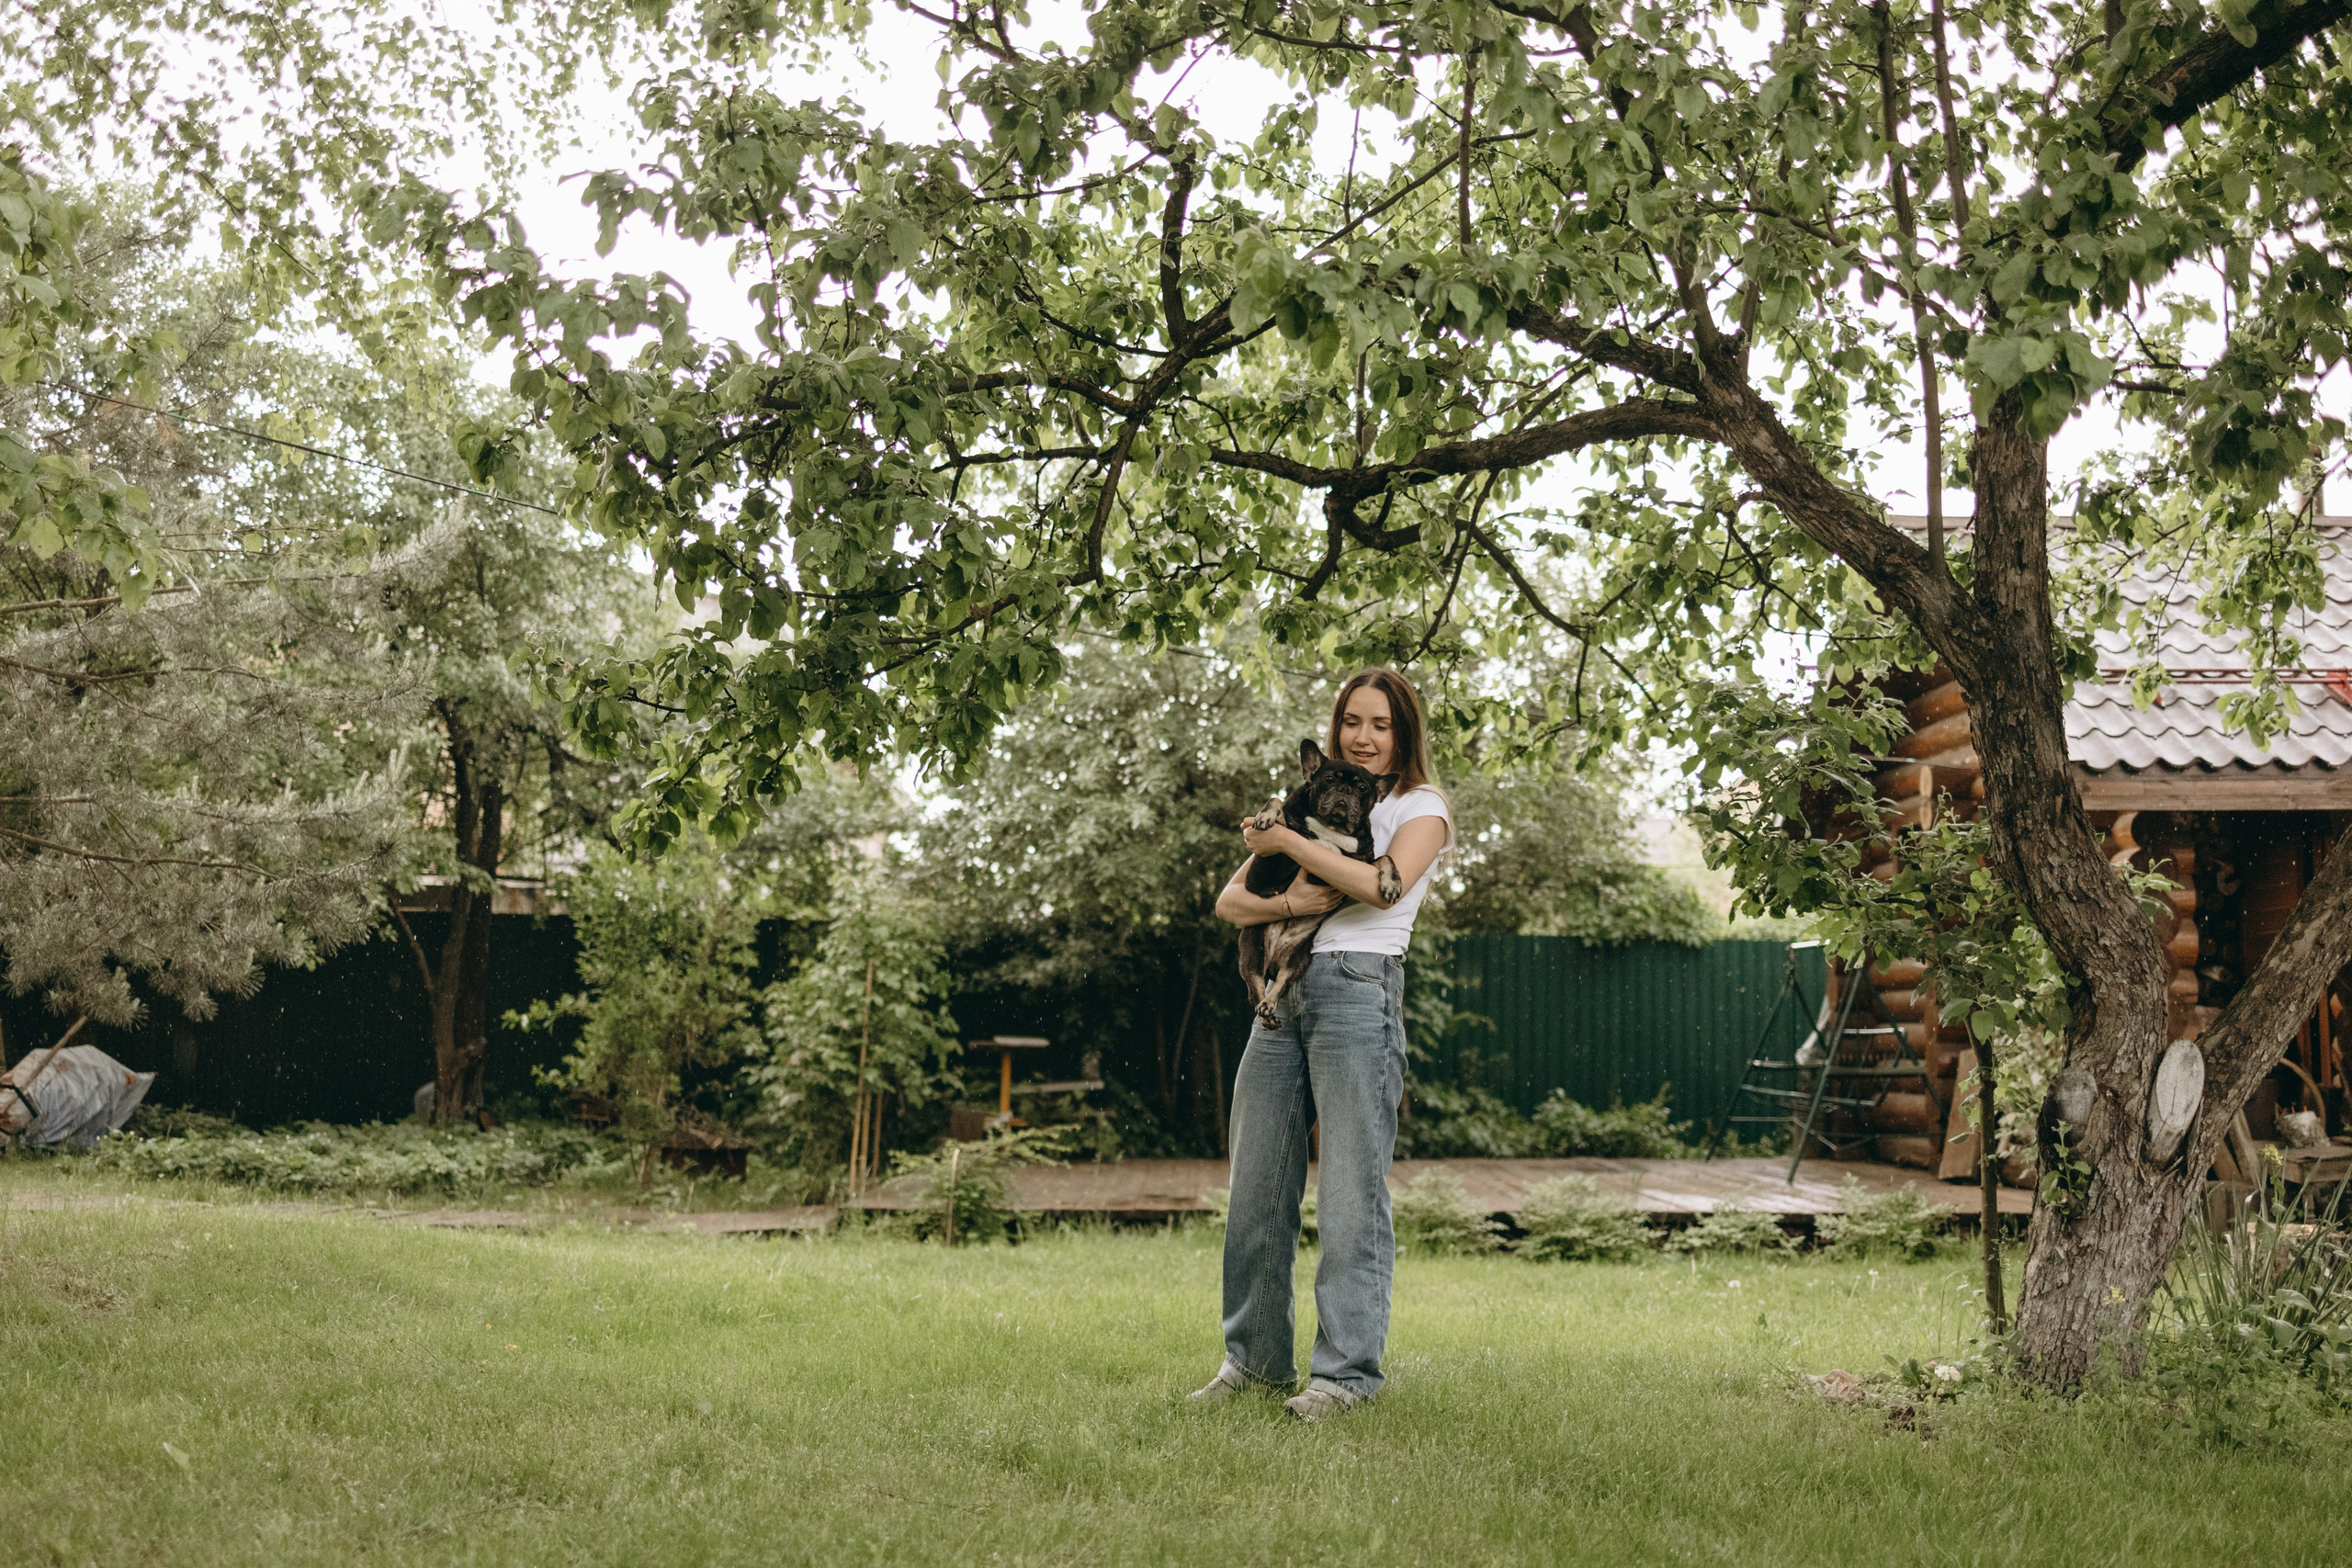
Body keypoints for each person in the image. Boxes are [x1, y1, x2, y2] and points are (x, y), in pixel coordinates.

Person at [1192, 667, 1453, 1420]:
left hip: (1359, 994)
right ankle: (1253, 1361)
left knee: (1348, 1194)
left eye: (1380, 725)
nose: (1364, 737)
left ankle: (1344, 1378)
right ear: (1335, 731)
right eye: (1352, 723)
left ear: (1403, 733)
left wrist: (1288, 842)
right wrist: (1286, 897)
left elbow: (1382, 886)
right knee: (1255, 1190)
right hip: (1281, 996)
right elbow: (1230, 900)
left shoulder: (1420, 806)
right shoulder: (1311, 803)